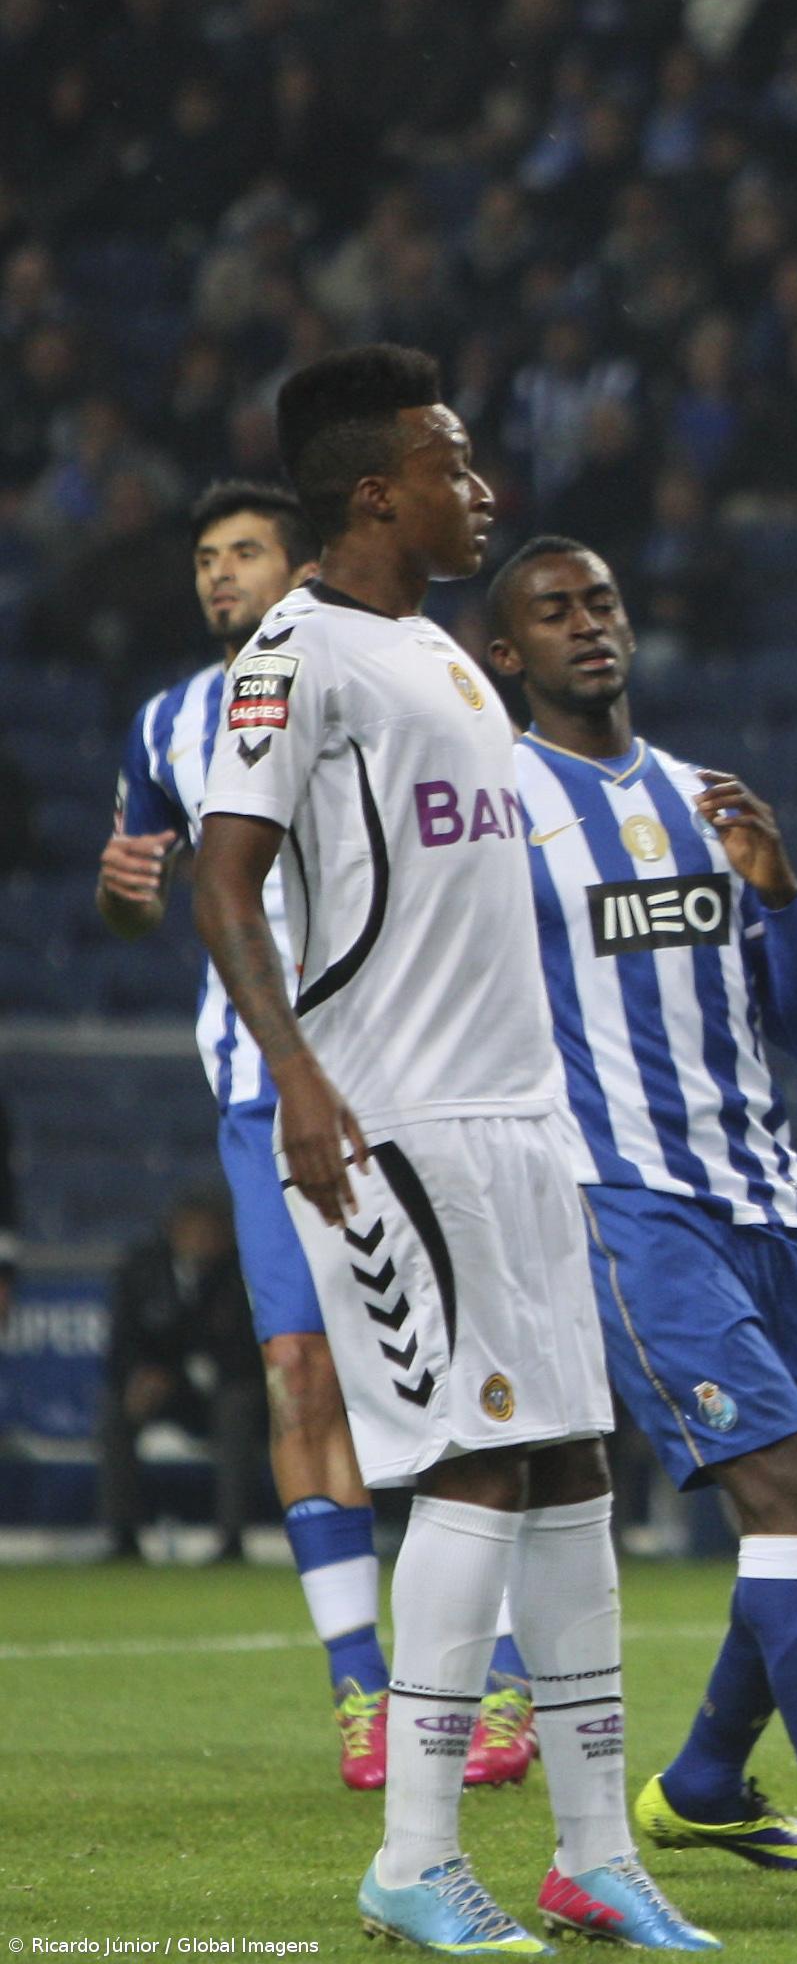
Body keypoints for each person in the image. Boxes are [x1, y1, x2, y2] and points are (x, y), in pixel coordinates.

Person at [191, 345, 707, 1952]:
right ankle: (416, 1852)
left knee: (569, 1470)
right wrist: (296, 1075)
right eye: (452, 464)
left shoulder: (451, 661)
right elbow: (223, 875)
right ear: (374, 491)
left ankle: (587, 1852)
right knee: (478, 1461)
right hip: (392, 1120)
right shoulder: (299, 652)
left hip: (518, 1120)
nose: (478, 488)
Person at [487, 534, 797, 1900]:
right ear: (507, 655)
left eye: (605, 603)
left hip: (765, 1195)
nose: (591, 627)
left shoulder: (706, 798)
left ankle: (698, 1783)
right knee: (783, 1491)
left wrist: (784, 896)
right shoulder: (497, 813)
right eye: (555, 612)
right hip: (629, 1201)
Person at [97, 479, 536, 1793]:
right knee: (301, 1372)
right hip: (255, 1094)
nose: (219, 575)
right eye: (205, 557)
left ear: (297, 572)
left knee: (444, 1381)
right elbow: (146, 885)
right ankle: (361, 1687)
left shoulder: (381, 686)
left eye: (244, 552)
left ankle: (495, 1674)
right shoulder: (168, 723)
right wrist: (126, 897)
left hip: (397, 1074)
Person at [98, 1188, 265, 1563]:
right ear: (174, 1229)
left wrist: (187, 1373)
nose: (204, 1239)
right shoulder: (142, 1269)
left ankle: (231, 1540)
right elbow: (122, 1343)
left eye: (213, 1229)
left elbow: (247, 1350)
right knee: (115, 1410)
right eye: (195, 1228)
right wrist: (139, 1375)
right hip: (166, 1392)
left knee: (238, 1407)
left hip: (225, 1389)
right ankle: (122, 1536)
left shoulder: (244, 1271)